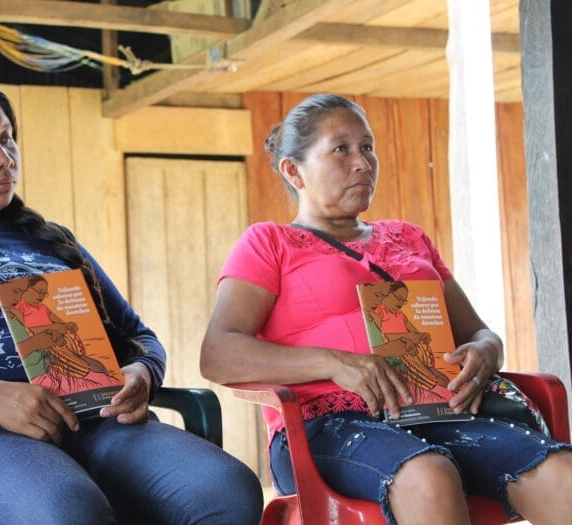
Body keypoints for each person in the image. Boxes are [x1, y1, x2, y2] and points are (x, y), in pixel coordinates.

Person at [0, 76, 263, 525]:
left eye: (6, 139)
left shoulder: (54, 241)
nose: (4, 159)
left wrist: (141, 371)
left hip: (96, 419)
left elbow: (137, 337)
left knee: (228, 490)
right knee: (70, 512)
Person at [199, 93, 572, 525]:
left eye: (367, 147)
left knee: (558, 472)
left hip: (435, 412)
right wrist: (335, 363)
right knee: (428, 474)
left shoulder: (409, 238)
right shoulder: (269, 244)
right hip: (326, 426)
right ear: (293, 170)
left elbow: (479, 333)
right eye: (341, 149)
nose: (362, 162)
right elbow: (218, 354)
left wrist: (486, 353)